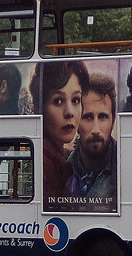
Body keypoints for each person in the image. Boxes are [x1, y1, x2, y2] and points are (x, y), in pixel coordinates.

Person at [30, 61, 89, 207]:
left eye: (76, 100)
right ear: (40, 107)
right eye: (58, 101)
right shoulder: (46, 163)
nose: (69, 112)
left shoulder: (60, 158)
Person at [65, 73, 118, 209]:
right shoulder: (61, 170)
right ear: (75, 122)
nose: (96, 129)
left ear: (113, 121)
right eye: (88, 117)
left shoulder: (125, 166)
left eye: (103, 117)